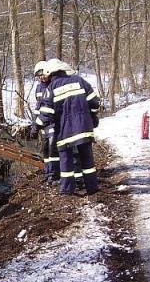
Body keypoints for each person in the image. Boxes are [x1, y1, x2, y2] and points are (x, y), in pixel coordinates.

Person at [35, 59, 101, 196]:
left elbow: (47, 113)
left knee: (65, 161)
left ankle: (67, 190)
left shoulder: (51, 87)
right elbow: (94, 102)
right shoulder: (79, 80)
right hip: (84, 129)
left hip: (65, 132)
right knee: (87, 160)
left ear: (50, 72)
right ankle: (92, 188)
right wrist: (93, 117)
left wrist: (37, 125)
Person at [31, 61, 60, 182]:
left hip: (53, 123)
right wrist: (35, 125)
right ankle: (48, 173)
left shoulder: (53, 85)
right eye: (39, 76)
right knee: (46, 151)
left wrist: (38, 123)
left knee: (53, 150)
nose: (42, 77)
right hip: (43, 124)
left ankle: (54, 174)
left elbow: (50, 108)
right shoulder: (38, 88)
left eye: (43, 74)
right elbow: (38, 107)